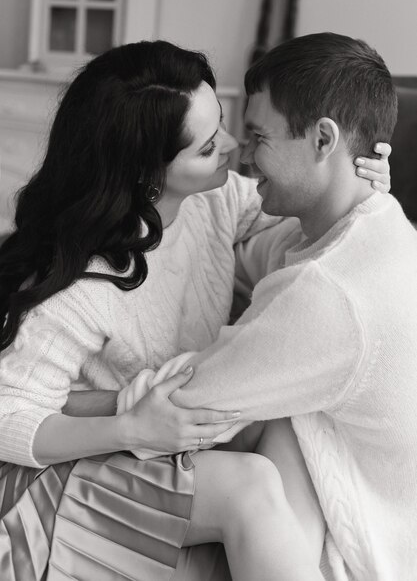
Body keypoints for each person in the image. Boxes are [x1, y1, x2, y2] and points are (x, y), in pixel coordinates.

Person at [0, 40, 390, 581]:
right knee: (252, 486)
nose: (235, 149)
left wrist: (354, 192)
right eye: (209, 147)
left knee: (294, 429)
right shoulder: (78, 284)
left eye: (224, 124)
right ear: (148, 173)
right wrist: (128, 429)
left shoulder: (215, 198)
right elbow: (9, 415)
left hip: (171, 432)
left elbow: (294, 208)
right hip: (79, 465)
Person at [135, 32, 417, 580]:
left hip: (371, 549)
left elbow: (184, 404)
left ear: (323, 139)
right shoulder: (380, 225)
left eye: (259, 135)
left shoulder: (327, 293)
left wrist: (70, 407)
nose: (242, 150)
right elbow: (266, 251)